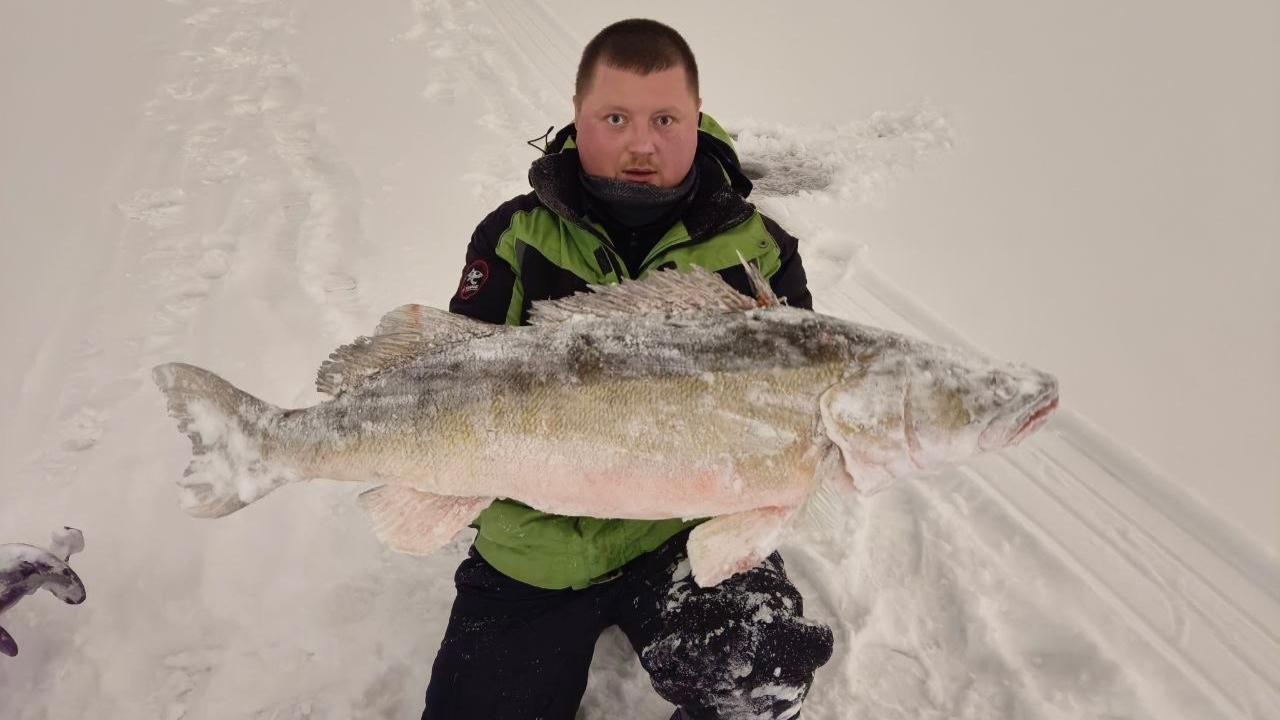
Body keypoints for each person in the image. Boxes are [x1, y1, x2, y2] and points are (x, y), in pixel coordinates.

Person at [428, 18, 833, 719]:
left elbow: (794, 403)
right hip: (537, 543)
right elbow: (455, 377)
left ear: (697, 121)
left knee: (761, 668)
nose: (641, 144)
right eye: (614, 118)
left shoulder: (759, 250)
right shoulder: (514, 234)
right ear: (578, 120)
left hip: (684, 534)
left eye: (665, 119)